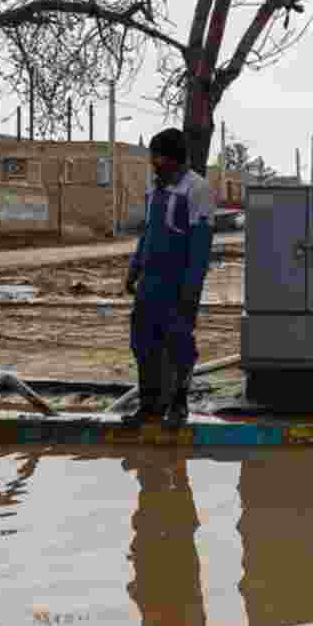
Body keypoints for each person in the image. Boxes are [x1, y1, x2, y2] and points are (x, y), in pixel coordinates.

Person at [123, 128, 214, 428]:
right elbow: (148, 233)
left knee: (178, 344)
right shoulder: (155, 190)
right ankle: (150, 405)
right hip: (150, 282)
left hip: (178, 283)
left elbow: (200, 246)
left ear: (174, 159)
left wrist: (191, 289)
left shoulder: (197, 190)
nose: (153, 164)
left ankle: (178, 404)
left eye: (157, 158)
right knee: (143, 343)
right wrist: (134, 269)